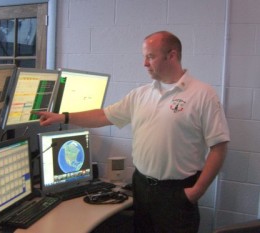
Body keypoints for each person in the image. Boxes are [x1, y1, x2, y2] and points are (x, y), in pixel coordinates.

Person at [33, 31, 230, 233]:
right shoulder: (140, 94)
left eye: (150, 57)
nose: (145, 63)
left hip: (177, 192)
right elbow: (103, 116)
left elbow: (219, 147)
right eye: (144, 57)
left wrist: (196, 191)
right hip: (142, 187)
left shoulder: (202, 94)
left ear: (171, 55)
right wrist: (63, 117)